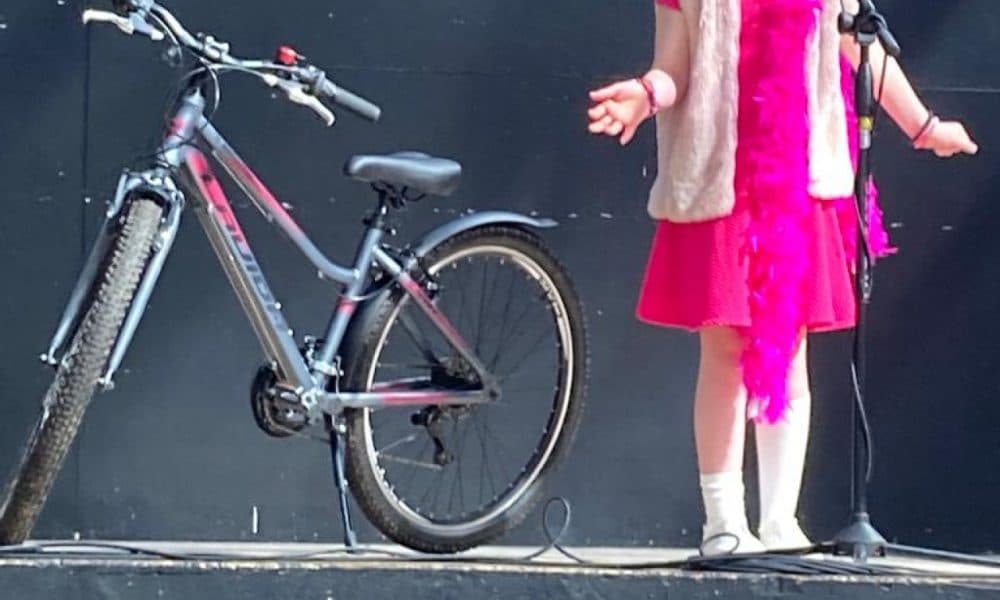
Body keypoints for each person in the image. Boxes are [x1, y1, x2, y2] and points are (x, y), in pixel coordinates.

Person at [587, 0, 978, 555]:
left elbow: (861, 49)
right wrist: (645, 97)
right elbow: (675, 67)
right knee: (724, 350)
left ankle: (779, 520)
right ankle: (723, 521)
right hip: (718, 178)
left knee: (788, 348)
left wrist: (923, 126)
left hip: (796, 180)